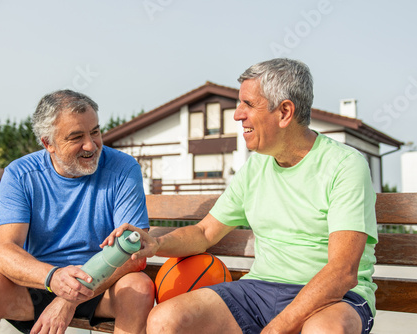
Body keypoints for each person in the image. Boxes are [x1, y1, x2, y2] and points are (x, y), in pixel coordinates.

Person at [106, 58, 377, 334]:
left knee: (323, 332)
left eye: (248, 104)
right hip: (260, 290)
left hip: (334, 299)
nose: (237, 115)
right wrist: (154, 244)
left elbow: (342, 271)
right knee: (164, 321)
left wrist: (275, 328)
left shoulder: (344, 165)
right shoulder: (256, 166)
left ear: (284, 112)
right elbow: (204, 233)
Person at [0, 90, 155, 334]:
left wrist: (69, 298)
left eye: (95, 131)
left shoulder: (124, 169)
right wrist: (53, 278)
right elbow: (3, 252)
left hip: (102, 284)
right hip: (40, 282)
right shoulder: (19, 174)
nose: (91, 145)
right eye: (76, 137)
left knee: (139, 288)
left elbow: (133, 252)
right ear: (48, 143)